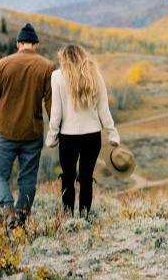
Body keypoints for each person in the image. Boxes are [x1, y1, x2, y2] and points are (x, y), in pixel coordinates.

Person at [0, 22, 54, 229]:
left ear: (18, 44)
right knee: (28, 179)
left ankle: (8, 212)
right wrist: (55, 131)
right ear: (36, 44)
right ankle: (22, 217)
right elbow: (51, 104)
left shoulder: (2, 65)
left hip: (4, 131)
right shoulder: (47, 67)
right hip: (32, 133)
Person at [45, 44, 120, 217]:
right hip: (92, 137)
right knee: (86, 179)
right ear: (82, 56)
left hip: (68, 137)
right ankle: (84, 217)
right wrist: (112, 132)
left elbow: (56, 112)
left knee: (68, 178)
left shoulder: (56, 76)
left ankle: (68, 217)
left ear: (64, 58)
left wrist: (51, 136)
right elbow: (104, 109)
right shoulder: (95, 75)